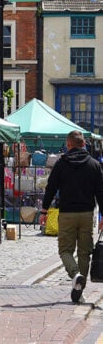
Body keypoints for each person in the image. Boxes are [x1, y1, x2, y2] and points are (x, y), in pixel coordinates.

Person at [40, 130, 103, 303]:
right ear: (84, 144)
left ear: (68, 145)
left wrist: (44, 211)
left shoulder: (61, 164)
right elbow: (100, 192)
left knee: (65, 250)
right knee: (85, 252)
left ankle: (75, 275)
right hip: (87, 214)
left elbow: (51, 188)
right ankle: (79, 289)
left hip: (67, 213)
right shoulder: (94, 164)